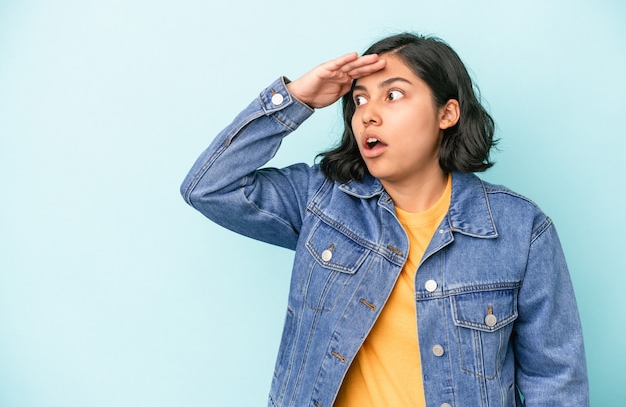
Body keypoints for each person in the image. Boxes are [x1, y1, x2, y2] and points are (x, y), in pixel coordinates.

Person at [180, 33, 588, 407]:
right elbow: (209, 187)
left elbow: (555, 383)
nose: (368, 115)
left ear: (447, 113)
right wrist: (296, 98)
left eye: (393, 95)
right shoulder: (321, 199)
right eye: (359, 100)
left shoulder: (520, 231)